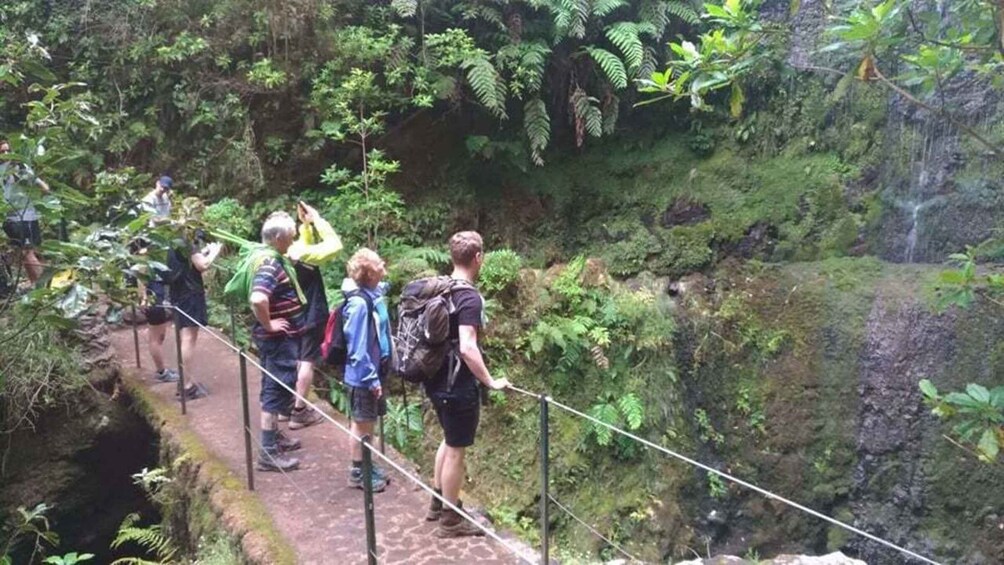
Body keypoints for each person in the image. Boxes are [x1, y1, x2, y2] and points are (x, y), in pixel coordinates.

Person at [424, 231, 510, 538]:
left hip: (435, 379)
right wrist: (490, 381)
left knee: (448, 440)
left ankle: (439, 503)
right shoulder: (468, 296)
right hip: (456, 383)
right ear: (478, 258)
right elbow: (468, 347)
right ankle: (451, 521)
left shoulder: (440, 288)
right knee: (457, 449)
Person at [250, 211, 305, 472]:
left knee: (275, 385)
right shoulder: (269, 265)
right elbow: (258, 298)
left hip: (277, 340)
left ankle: (274, 437)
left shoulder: (264, 258)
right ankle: (268, 453)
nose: (292, 243)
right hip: (277, 340)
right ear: (278, 238)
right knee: (275, 389)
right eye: (291, 238)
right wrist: (269, 324)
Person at [284, 201, 342, 430]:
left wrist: (307, 226)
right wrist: (317, 219)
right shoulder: (302, 254)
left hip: (290, 312)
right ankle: (299, 411)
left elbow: (303, 243)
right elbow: (335, 245)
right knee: (306, 360)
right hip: (310, 313)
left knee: (294, 359)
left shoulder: (286, 252)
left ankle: (285, 407)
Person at [341, 248, 393, 492]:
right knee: (361, 424)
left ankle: (366, 464)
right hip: (362, 377)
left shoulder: (372, 294)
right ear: (370, 273)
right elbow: (358, 349)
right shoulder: (360, 305)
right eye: (378, 264)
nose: (383, 265)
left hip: (372, 373)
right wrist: (371, 379)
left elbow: (384, 290)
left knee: (368, 423)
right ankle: (357, 472)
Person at [168, 230, 222, 400]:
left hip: (178, 291)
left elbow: (188, 260)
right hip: (190, 293)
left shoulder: (172, 238)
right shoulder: (185, 240)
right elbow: (202, 265)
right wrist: (215, 251)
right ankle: (186, 386)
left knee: (184, 335)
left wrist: (202, 252)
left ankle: (184, 380)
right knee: (188, 337)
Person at [136, 175, 177, 383]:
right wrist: (142, 296)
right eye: (162, 187)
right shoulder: (146, 250)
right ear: (156, 184)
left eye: (166, 188)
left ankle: (162, 370)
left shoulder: (167, 200)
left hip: (158, 288)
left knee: (159, 334)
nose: (163, 191)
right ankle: (161, 372)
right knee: (156, 335)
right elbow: (140, 273)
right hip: (153, 292)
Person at [1, 140, 50, 284]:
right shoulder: (18, 167)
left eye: (8, 150)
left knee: (28, 253)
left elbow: (43, 186)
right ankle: (38, 286)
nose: (6, 154)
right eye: (2, 152)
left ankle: (41, 288)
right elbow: (44, 188)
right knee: (26, 254)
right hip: (12, 218)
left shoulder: (20, 167)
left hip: (24, 215)